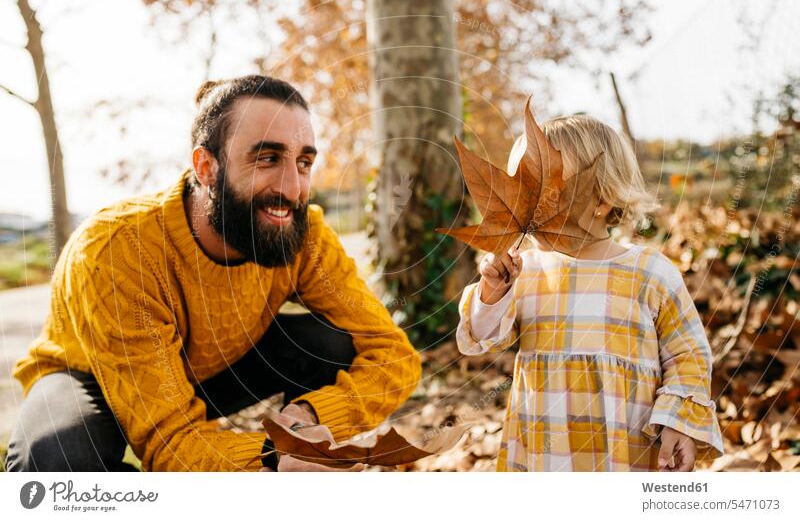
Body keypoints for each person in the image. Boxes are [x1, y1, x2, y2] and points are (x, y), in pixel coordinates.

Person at [6, 75, 421, 472]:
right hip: (92, 378)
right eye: (267, 158)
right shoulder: (117, 249)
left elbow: (395, 356)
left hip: (212, 371)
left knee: (330, 343)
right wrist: (275, 461)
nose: (292, 188)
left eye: (304, 162)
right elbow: (169, 443)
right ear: (206, 167)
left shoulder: (305, 237)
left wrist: (311, 416)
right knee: (55, 459)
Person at [456, 113, 724, 471]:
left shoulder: (649, 272)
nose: (529, 206)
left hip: (626, 452)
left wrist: (679, 422)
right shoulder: (525, 272)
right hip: (543, 453)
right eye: (523, 193)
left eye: (545, 192)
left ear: (600, 199)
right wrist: (492, 294)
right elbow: (481, 341)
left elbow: (688, 355)